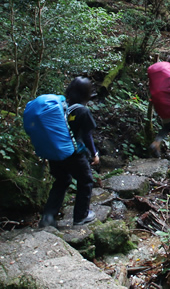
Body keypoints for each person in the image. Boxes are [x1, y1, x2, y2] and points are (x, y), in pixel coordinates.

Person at [39, 77, 99, 228]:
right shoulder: (82, 111)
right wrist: (94, 154)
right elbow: (86, 135)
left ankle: (47, 217)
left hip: (55, 154)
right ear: (86, 94)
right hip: (74, 155)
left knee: (62, 180)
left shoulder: (60, 108)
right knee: (85, 181)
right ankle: (81, 216)